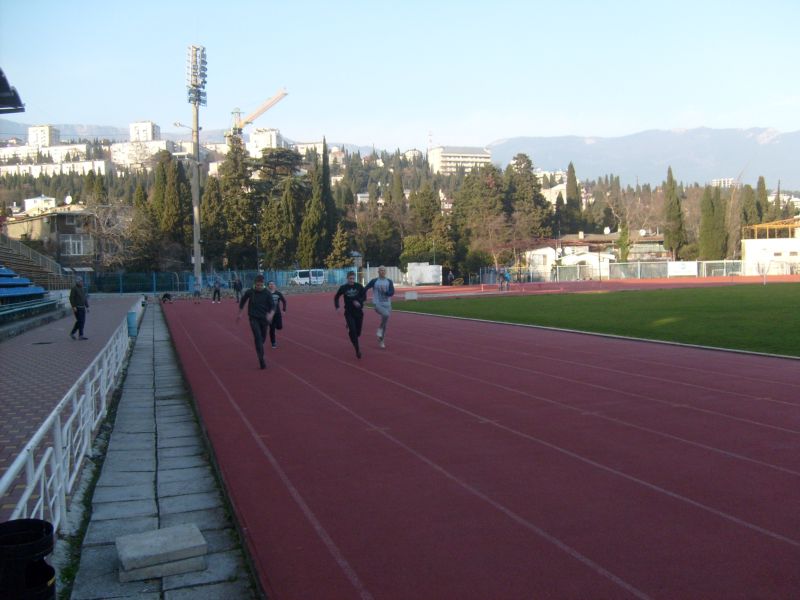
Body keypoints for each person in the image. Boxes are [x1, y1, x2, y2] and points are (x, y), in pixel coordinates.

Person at [236, 275, 275, 369]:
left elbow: (273, 306)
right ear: (254, 284)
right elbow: (243, 301)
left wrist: (271, 314)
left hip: (264, 319)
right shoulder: (250, 292)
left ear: (263, 284)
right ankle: (261, 359)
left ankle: (260, 349)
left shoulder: (267, 293)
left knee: (262, 339)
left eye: (261, 285)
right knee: (257, 338)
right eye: (257, 285)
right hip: (253, 318)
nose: (259, 287)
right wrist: (240, 313)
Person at [334, 271, 366, 358]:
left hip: (359, 313)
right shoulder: (343, 288)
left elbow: (364, 296)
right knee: (354, 332)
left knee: (358, 333)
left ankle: (350, 330)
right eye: (350, 279)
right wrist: (337, 307)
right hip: (349, 312)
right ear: (347, 278)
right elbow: (336, 297)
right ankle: (357, 350)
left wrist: (359, 301)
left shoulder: (359, 286)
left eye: (353, 278)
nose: (352, 280)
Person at [364, 265, 395, 349]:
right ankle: (379, 329)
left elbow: (392, 292)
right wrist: (362, 298)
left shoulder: (389, 281)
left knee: (385, 323)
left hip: (387, 304)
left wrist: (386, 292)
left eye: (384, 270)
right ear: (378, 272)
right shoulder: (374, 281)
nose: (382, 272)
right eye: (381, 270)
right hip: (378, 304)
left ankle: (381, 340)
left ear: (386, 272)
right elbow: (365, 288)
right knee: (386, 315)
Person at [267, 281, 287, 349]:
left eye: (272, 284)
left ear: (275, 285)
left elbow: (284, 301)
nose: (271, 285)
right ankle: (273, 342)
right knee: (272, 329)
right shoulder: (266, 294)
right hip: (270, 314)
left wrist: (284, 310)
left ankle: (274, 326)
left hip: (277, 313)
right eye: (270, 284)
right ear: (268, 286)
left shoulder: (278, 293)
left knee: (279, 327)